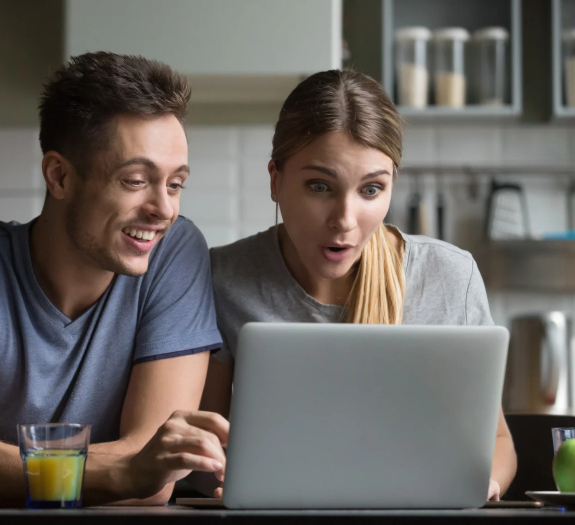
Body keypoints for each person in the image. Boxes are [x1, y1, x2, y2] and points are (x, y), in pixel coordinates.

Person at [0, 51, 229, 507]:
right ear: (59, 176)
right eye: (135, 180)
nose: (164, 209)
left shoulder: (175, 252)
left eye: (175, 184)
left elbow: (155, 483)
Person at [199, 69, 517, 501]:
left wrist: (483, 484)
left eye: (371, 190)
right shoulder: (223, 278)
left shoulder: (450, 276)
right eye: (319, 187)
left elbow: (497, 442)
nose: (344, 220)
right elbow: (203, 446)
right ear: (276, 179)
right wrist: (226, 481)